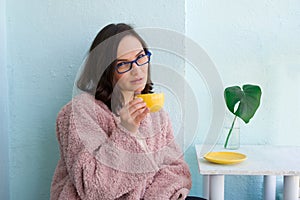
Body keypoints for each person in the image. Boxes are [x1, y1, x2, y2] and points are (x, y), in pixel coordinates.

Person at [50, 23, 205, 200]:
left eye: (141, 57)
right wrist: (126, 131)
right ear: (106, 71)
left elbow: (176, 170)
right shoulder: (79, 113)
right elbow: (95, 188)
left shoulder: (155, 114)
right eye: (123, 64)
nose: (137, 70)